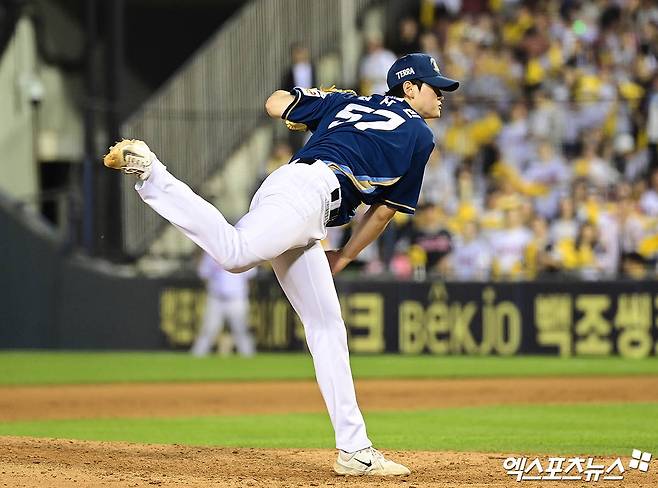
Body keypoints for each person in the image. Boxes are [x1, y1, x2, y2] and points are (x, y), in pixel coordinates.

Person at [103, 52, 459, 476]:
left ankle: (354, 450)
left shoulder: (349, 101)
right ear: (410, 88)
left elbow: (275, 104)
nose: (442, 95)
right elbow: (383, 211)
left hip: (293, 190)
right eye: (436, 87)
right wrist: (346, 255)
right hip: (310, 197)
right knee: (235, 254)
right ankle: (152, 174)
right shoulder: (419, 134)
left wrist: (315, 97)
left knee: (326, 326)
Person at [190, 252, 256, 357]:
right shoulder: (211, 253)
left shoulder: (241, 251)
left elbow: (250, 277)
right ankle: (197, 357)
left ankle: (248, 357)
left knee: (241, 331)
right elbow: (204, 274)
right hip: (216, 298)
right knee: (208, 330)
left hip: (237, 298)